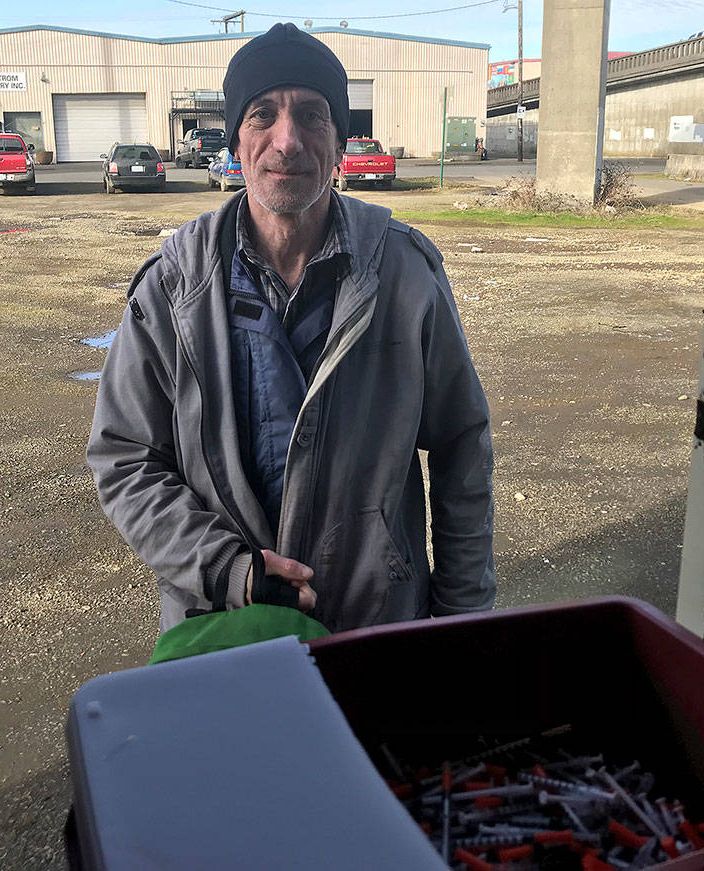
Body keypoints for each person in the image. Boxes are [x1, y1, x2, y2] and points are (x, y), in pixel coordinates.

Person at [87, 22, 495, 634]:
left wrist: (463, 616)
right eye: (262, 115)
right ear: (235, 140)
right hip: (227, 623)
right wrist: (230, 569)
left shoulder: (404, 272)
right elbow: (126, 460)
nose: (288, 141)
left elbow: (462, 441)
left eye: (312, 115)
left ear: (338, 141)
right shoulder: (173, 288)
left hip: (373, 622)